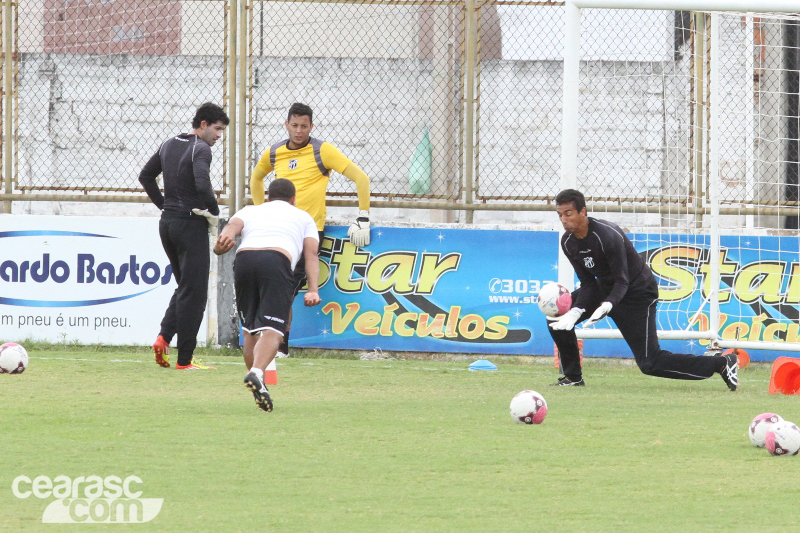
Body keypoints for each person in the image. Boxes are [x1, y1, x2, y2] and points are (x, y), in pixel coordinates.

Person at [548, 189, 738, 390]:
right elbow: (587, 283)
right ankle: (573, 377)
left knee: (649, 363)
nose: (564, 220)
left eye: (568, 214)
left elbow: (623, 281)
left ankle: (722, 364)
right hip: (604, 289)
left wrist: (607, 306)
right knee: (556, 318)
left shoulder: (607, 236)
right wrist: (576, 310)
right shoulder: (568, 242)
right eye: (560, 215)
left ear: (583, 212)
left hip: (637, 293)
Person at [249, 102, 371, 358]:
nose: (299, 131)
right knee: (277, 289)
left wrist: (363, 216)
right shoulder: (274, 153)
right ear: (286, 125)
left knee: (288, 290)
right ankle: (277, 343)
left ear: (311, 126)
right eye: (294, 125)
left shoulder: (322, 151)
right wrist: (262, 211)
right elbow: (256, 178)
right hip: (278, 230)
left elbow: (361, 178)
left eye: (304, 126)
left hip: (308, 231)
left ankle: (280, 345)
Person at [214, 178, 322, 412]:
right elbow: (311, 255)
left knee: (250, 328)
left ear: (267, 197)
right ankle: (256, 372)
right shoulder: (303, 216)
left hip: (244, 259)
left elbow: (232, 227)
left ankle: (258, 383)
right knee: (274, 328)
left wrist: (224, 239)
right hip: (276, 259)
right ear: (293, 199)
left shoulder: (251, 209)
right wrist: (313, 289)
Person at [139, 102, 230, 370]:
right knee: (196, 293)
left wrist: (164, 205)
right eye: (217, 129)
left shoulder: (169, 142)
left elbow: (146, 176)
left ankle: (163, 337)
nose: (219, 135)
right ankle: (184, 360)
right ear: (203, 124)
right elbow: (202, 183)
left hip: (167, 223)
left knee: (186, 287)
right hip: (190, 224)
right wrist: (213, 213)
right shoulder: (200, 148)